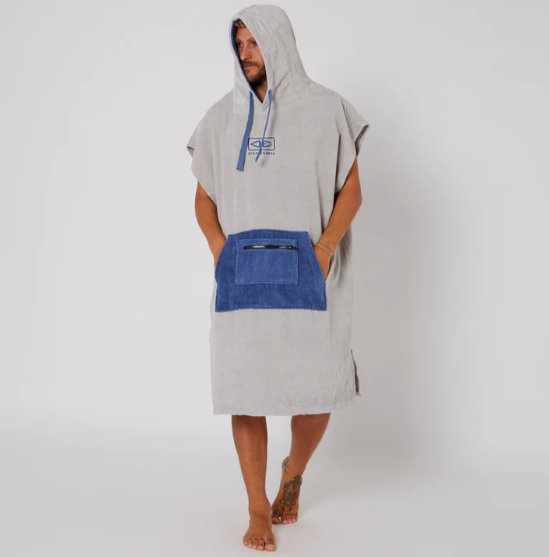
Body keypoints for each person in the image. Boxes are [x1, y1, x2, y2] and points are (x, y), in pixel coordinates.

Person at [186, 4, 369, 552]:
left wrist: (325, 249)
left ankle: (294, 470)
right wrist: (219, 250)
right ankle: (257, 508)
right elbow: (203, 198)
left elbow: (352, 190)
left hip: (310, 267)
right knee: (245, 391)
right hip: (243, 274)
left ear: (279, 43)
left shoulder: (327, 109)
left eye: (255, 43)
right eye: (239, 44)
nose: (246, 54)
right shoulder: (221, 118)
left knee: (316, 390)